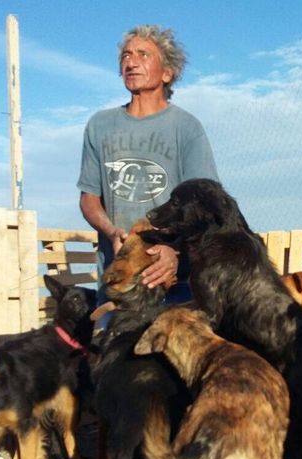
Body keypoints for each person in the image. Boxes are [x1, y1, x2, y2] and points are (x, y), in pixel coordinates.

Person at [77, 25, 218, 324]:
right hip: (121, 277)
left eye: (143, 54)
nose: (131, 61)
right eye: (126, 55)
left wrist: (174, 251)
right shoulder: (99, 126)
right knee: (114, 363)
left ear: (167, 73)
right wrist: (112, 231)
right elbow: (89, 198)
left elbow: (205, 204)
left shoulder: (186, 127)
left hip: (172, 280)